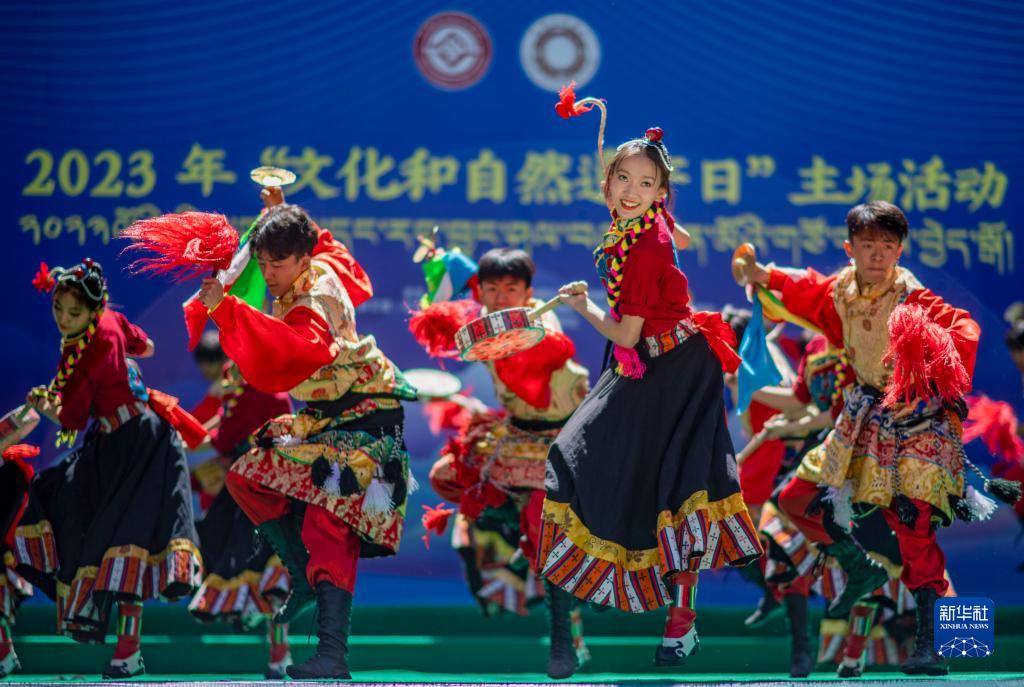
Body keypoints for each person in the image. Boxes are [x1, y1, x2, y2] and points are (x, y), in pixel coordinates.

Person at [538, 125, 761, 678]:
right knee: (656, 484)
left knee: (605, 465)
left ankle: (673, 617)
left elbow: (626, 333)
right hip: (659, 363)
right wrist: (654, 206)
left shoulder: (643, 245)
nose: (631, 191)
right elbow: (678, 234)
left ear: (661, 191)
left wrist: (583, 307)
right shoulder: (640, 223)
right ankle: (655, 608)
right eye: (623, 179)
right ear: (607, 183)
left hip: (672, 367)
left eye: (646, 184)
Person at [736, 200, 983, 676]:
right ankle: (858, 572)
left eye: (887, 246)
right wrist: (764, 274)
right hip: (862, 421)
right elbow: (805, 290)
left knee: (914, 532)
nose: (878, 255)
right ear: (850, 249)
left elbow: (963, 328)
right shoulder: (839, 296)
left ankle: (937, 645)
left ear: (900, 249)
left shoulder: (912, 298)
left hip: (912, 424)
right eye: (868, 245)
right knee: (794, 498)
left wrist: (929, 383)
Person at [197, 190, 417, 680]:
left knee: (328, 523)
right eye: (263, 262)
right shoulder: (321, 264)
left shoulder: (311, 305)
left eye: (278, 263)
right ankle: (300, 575)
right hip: (326, 419)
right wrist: (279, 210)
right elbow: (340, 256)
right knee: (248, 476)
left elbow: (293, 350)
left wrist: (227, 311)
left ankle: (333, 654)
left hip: (366, 420)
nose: (268, 272)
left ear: (302, 258)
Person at [17, 259, 202, 678]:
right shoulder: (108, 324)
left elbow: (72, 417)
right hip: (123, 441)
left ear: (93, 309)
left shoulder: (94, 343)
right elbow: (147, 346)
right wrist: (122, 368)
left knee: (123, 540)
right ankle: (127, 653)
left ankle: (128, 653)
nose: (64, 319)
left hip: (137, 446)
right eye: (58, 309)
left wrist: (43, 405)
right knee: (110, 542)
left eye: (74, 312)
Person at [419, 247, 591, 662]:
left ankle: (561, 642)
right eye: (491, 289)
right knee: (446, 475)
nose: (500, 297)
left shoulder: (539, 323)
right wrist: (443, 259)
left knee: (545, 530)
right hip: (515, 434)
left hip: (563, 440)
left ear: (528, 293)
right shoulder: (488, 314)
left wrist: (511, 337)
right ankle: (514, 526)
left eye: (511, 289)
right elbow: (468, 282)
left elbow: (552, 354)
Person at [185, 333, 295, 678]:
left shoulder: (247, 392)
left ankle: (267, 636)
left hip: (253, 493)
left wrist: (191, 439)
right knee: (271, 574)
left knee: (252, 564)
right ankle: (278, 653)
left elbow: (224, 438)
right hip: (272, 491)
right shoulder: (272, 391)